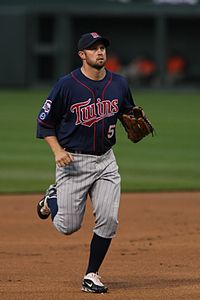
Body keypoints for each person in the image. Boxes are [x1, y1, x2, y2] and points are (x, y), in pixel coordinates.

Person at [36, 32, 136, 294]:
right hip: (73, 161)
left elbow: (127, 113)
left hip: (106, 161)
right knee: (67, 226)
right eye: (93, 49)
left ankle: (92, 274)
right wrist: (57, 151)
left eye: (102, 47)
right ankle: (51, 198)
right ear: (82, 55)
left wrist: (134, 121)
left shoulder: (120, 84)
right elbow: (44, 123)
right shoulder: (66, 85)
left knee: (109, 219)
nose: (100, 52)